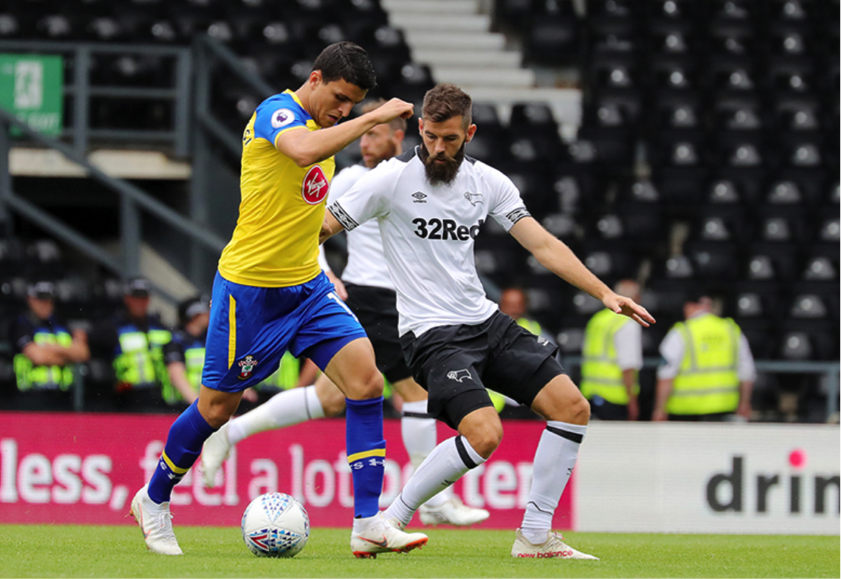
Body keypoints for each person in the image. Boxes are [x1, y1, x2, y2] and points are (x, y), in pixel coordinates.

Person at [321, 83, 655, 559]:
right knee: (484, 433)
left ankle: (535, 536)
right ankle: (388, 521)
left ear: (470, 133)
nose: (438, 148)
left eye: (450, 139)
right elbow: (322, 227)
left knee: (572, 408)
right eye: (432, 136)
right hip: (430, 334)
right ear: (419, 128)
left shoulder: (489, 182)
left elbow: (542, 244)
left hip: (484, 322)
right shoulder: (389, 180)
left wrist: (603, 292)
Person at [129, 41, 426, 558]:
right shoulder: (278, 112)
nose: (343, 109)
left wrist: (324, 272)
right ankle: (153, 499)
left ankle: (367, 522)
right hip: (251, 291)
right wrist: (374, 117)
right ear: (314, 79)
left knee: (365, 381)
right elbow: (303, 152)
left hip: (307, 287)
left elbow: (306, 212)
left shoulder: (327, 127)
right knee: (215, 409)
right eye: (338, 97)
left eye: (353, 103)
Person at [200, 99, 490, 527]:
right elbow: (306, 224)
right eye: (363, 132)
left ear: (397, 136)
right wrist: (325, 272)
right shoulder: (351, 177)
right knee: (416, 394)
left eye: (374, 133)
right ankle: (432, 499)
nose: (364, 140)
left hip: (396, 300)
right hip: (370, 296)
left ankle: (233, 430)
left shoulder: (413, 178)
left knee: (331, 398)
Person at [652, 291, 755, 422]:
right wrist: (744, 403)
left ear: (688, 306)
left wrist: (660, 409)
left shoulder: (681, 332)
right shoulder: (731, 330)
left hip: (685, 411)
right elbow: (747, 371)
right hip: (724, 408)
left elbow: (666, 375)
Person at [89, 277, 173, 413]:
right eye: (135, 298)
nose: (140, 302)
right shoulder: (113, 326)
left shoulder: (160, 327)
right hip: (128, 397)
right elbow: (87, 341)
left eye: (143, 298)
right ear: (126, 299)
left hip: (160, 395)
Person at [10, 280, 89, 411]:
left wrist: (51, 347)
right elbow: (37, 356)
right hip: (31, 397)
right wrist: (69, 356)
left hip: (62, 397)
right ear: (30, 300)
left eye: (49, 300)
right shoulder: (21, 324)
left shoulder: (60, 324)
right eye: (41, 300)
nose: (46, 305)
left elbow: (83, 353)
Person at [580, 280, 644, 421]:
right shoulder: (627, 323)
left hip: (589, 393)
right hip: (614, 397)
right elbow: (628, 366)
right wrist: (632, 402)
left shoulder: (597, 319)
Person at [162, 296, 211, 410]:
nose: (209, 315)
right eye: (205, 312)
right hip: (182, 407)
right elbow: (177, 376)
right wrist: (200, 407)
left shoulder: (207, 339)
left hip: (206, 406)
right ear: (194, 315)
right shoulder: (176, 342)